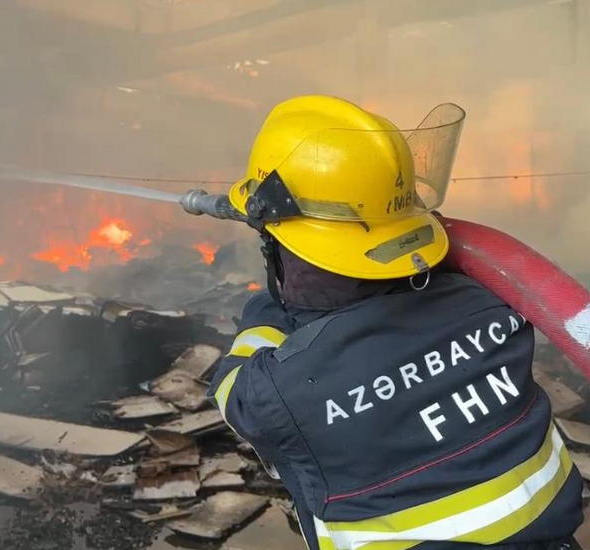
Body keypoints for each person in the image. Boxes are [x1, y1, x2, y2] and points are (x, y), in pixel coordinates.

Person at [208, 96, 583, 550]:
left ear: (285, 241)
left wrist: (274, 299)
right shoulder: (493, 302)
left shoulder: (283, 391)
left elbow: (234, 391)